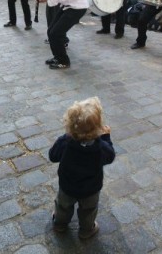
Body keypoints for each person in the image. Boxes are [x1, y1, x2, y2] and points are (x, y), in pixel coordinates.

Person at [49, 97, 115, 239]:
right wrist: (106, 138)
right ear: (99, 127)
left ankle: (60, 224)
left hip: (67, 186)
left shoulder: (65, 141)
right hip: (91, 189)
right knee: (89, 210)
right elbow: (110, 157)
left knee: (63, 206)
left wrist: (64, 137)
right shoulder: (101, 147)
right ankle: (86, 230)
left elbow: (53, 156)